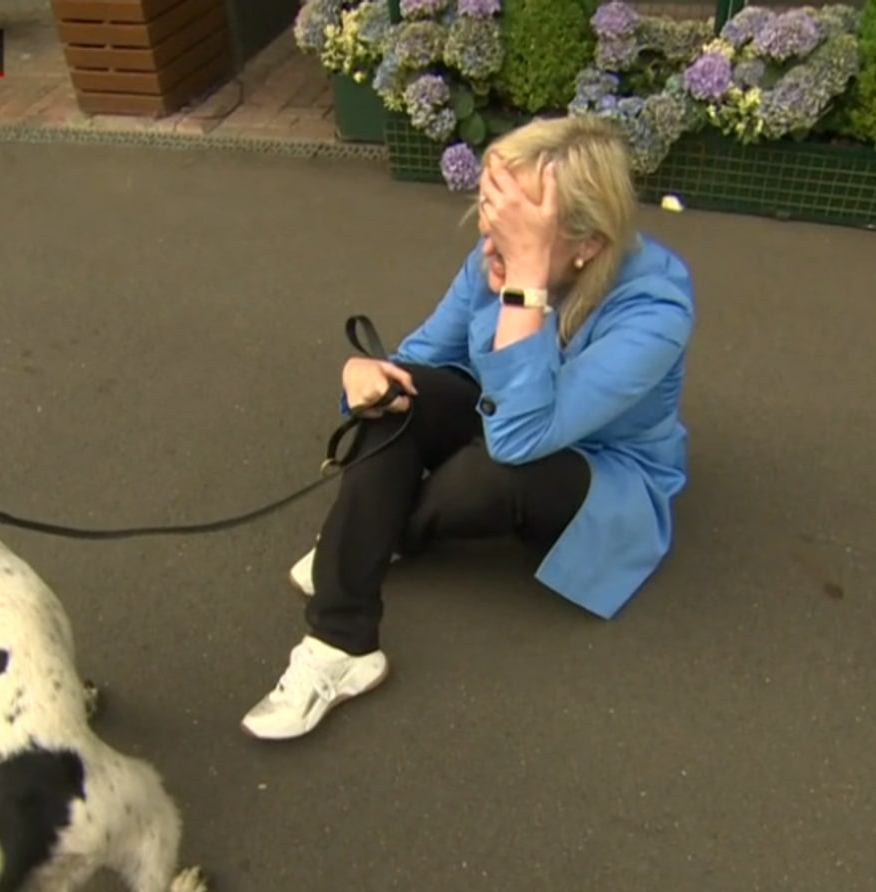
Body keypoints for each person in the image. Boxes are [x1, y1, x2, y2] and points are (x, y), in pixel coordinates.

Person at [240, 114, 697, 741]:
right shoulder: (495, 254)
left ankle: (378, 529)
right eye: (489, 214)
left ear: (587, 241)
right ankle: (341, 642)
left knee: (495, 471)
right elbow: (423, 361)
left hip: (597, 473)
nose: (488, 239)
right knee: (403, 399)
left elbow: (519, 441)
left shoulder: (657, 306)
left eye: (515, 228)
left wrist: (525, 288)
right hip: (509, 416)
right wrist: (366, 379)